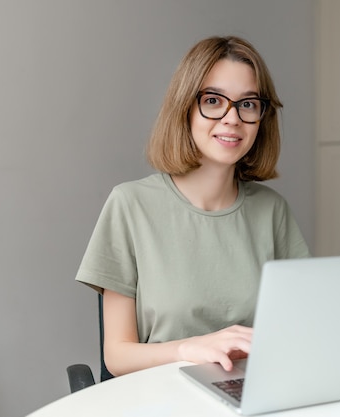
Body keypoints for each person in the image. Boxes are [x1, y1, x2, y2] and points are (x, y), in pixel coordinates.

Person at [75, 35, 310, 376]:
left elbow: (300, 330)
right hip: (162, 398)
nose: (232, 118)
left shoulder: (272, 211)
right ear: (184, 107)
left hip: (251, 394)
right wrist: (189, 349)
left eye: (247, 104)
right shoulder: (130, 205)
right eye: (213, 100)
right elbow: (118, 356)